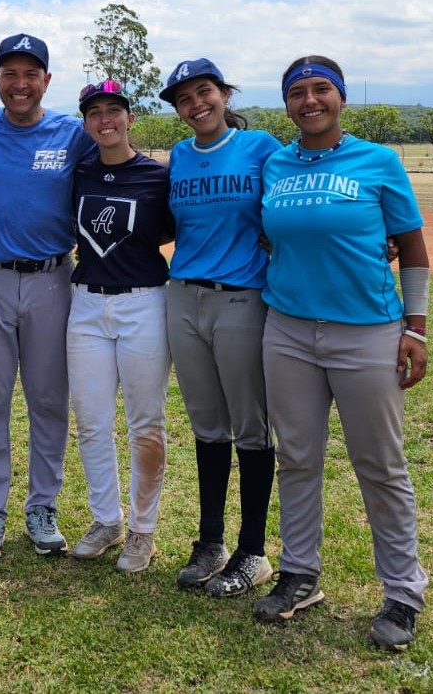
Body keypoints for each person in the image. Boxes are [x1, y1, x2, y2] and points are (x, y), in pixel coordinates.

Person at [253, 55, 430, 652]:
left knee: (380, 464)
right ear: (287, 104)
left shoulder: (377, 161)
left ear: (341, 97)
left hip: (367, 331)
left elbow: (412, 247)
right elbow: (266, 234)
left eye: (320, 89)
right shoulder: (275, 164)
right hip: (288, 330)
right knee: (297, 458)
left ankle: (403, 591)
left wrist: (418, 328)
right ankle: (300, 575)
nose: (309, 100)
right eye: (297, 92)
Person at [0, 33, 96, 560]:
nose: (20, 83)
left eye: (31, 74)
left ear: (47, 81)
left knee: (48, 397)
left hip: (53, 278)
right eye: (10, 73)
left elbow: (119, 165)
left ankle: (42, 504)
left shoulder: (72, 134)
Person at [158, 59, 281, 596]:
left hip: (240, 300)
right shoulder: (179, 156)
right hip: (183, 298)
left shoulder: (260, 148)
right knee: (207, 426)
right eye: (184, 99)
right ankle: (210, 541)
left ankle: (252, 551)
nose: (196, 104)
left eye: (204, 92)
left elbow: (292, 203)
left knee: (250, 428)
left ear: (224, 94)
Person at [67, 81, 172, 573]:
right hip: (86, 303)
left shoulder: (157, 176)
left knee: (145, 425)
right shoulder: (78, 172)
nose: (105, 119)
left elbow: (180, 228)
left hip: (143, 303)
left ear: (130, 117)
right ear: (85, 123)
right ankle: (106, 519)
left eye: (114, 110)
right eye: (94, 112)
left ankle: (142, 531)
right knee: (91, 421)